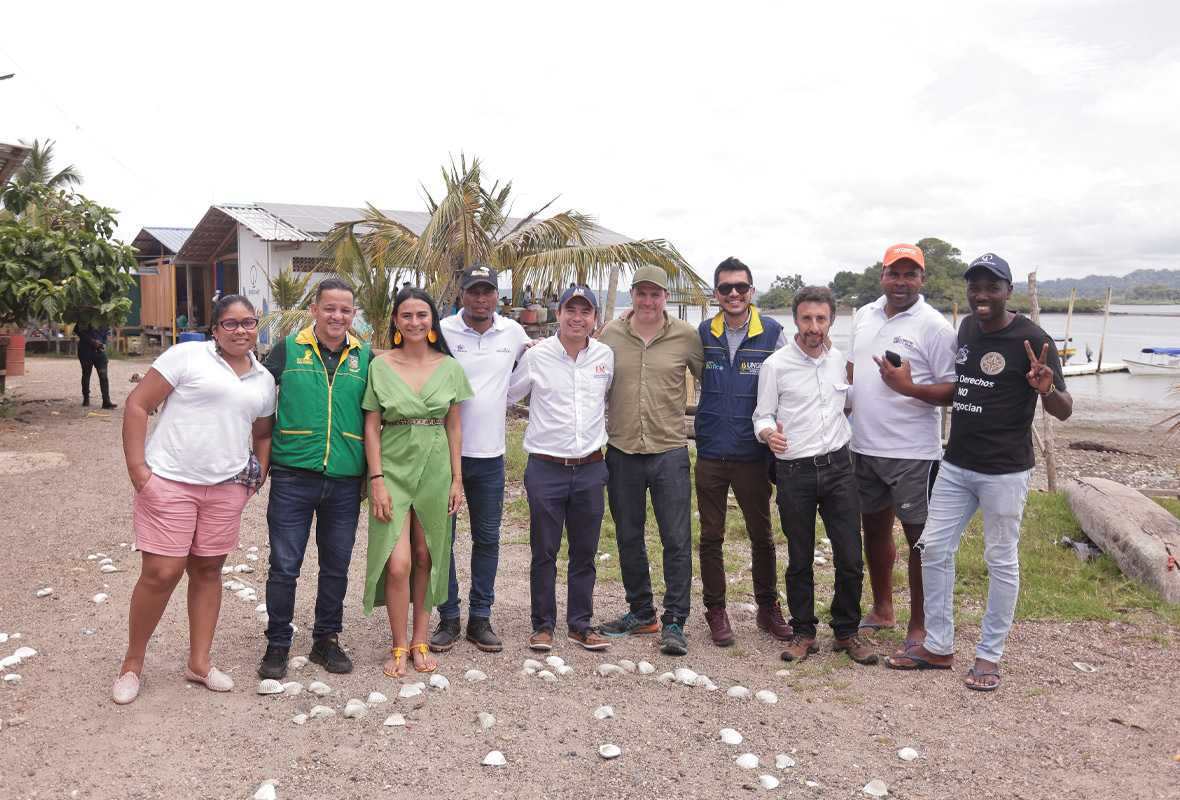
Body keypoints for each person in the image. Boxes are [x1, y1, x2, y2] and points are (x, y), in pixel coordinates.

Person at [886, 254, 1072, 691]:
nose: (982, 295)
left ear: (1009, 291)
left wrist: (1046, 388)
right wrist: (912, 388)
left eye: (992, 287)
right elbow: (962, 389)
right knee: (932, 549)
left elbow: (1064, 411)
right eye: (975, 287)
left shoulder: (1034, 338)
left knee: (1000, 559)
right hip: (956, 464)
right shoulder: (966, 328)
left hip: (1004, 471)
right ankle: (939, 644)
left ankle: (989, 655)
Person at [112, 295, 275, 704]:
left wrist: (255, 479)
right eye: (230, 323)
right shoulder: (186, 356)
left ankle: (198, 662)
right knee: (162, 573)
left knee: (207, 571)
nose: (241, 330)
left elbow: (263, 434)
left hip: (227, 487)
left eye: (249, 322)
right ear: (215, 329)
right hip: (169, 481)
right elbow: (138, 403)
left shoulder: (263, 379)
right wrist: (138, 470)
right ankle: (132, 664)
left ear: (258, 327)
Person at [753, 286, 876, 665]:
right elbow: (761, 415)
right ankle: (804, 632)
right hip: (794, 471)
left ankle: (846, 632)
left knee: (851, 557)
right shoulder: (776, 365)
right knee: (800, 558)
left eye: (821, 319)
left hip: (839, 467)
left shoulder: (840, 360)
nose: (813, 326)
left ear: (832, 321)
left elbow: (850, 403)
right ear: (796, 320)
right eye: (806, 318)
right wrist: (768, 434)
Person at [257, 278, 373, 679]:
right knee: (284, 566)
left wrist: (369, 474)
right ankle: (277, 644)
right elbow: (254, 395)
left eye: (345, 310)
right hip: (293, 477)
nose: (337, 316)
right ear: (315, 309)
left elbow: (375, 417)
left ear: (353, 314)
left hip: (344, 480)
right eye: (329, 308)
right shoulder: (288, 349)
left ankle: (327, 640)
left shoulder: (365, 357)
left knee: (336, 567)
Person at [847, 244, 957, 648]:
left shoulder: (935, 327)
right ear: (882, 276)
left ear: (922, 280)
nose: (901, 282)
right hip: (863, 445)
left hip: (913, 453)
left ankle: (921, 624)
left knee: (920, 539)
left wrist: (909, 388)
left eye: (911, 274)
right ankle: (882, 609)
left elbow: (954, 389)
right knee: (874, 527)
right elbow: (852, 372)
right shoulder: (864, 315)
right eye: (895, 273)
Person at [363, 288, 472, 676]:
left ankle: (420, 640)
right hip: (391, 468)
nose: (414, 322)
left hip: (436, 468)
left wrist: (458, 479)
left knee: (427, 555)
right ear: (395, 321)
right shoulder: (379, 365)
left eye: (422, 315)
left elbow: (455, 423)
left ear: (432, 321)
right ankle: (397, 644)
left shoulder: (450, 365)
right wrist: (375, 478)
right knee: (397, 563)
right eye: (406, 315)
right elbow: (371, 426)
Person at [597, 265, 704, 655]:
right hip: (622, 451)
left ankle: (675, 620)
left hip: (669, 451)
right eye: (641, 294)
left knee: (676, 539)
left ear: (665, 297)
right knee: (628, 536)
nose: (647, 301)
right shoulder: (609, 334)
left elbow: (712, 380)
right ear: (632, 294)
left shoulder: (687, 337)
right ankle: (642, 613)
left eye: (655, 294)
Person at [430, 265, 531, 653]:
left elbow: (528, 369)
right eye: (474, 291)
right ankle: (449, 618)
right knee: (444, 541)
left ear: (497, 298)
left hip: (491, 457)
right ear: (461, 294)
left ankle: (480, 618)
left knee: (487, 540)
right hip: (444, 455)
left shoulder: (514, 333)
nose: (481, 299)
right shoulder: (443, 330)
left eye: (488, 292)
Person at [508, 286, 614, 652]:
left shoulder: (605, 357)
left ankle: (580, 624)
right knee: (545, 550)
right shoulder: (538, 356)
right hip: (545, 468)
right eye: (571, 309)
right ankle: (543, 625)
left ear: (595, 319)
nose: (577, 317)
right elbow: (509, 393)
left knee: (584, 552)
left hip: (590, 467)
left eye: (586, 312)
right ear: (560, 313)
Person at [694, 257, 792, 646]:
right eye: (725, 288)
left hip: (752, 454)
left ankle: (768, 607)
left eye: (741, 287)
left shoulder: (772, 332)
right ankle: (716, 611)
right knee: (710, 536)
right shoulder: (703, 332)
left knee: (762, 535)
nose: (733, 294)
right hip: (710, 454)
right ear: (715, 293)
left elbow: (798, 373)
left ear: (752, 291)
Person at [76, 323, 117, 409]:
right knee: (86, 375)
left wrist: (105, 345)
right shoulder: (87, 318)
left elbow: (105, 338)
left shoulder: (105, 322)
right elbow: (77, 330)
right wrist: (90, 340)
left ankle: (106, 401)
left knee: (103, 376)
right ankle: (86, 398)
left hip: (100, 353)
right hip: (86, 352)